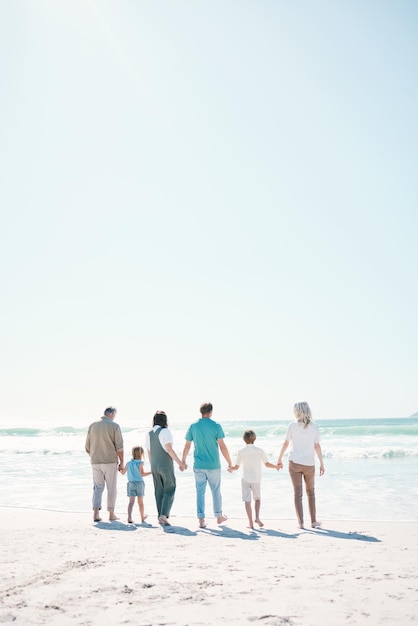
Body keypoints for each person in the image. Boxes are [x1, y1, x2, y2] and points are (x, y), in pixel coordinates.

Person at [182, 402, 232, 528]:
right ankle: (219, 517)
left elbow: (187, 446)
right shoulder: (216, 426)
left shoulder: (193, 426)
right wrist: (230, 462)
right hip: (214, 465)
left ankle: (201, 520)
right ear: (210, 412)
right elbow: (222, 446)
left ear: (201, 412)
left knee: (200, 492)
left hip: (198, 464)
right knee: (216, 491)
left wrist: (183, 461)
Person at [277, 402, 325, 529]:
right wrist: (321, 463)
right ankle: (313, 522)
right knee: (311, 493)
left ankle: (301, 523)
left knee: (297, 494)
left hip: (295, 463)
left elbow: (286, 443)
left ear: (297, 412)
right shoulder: (314, 427)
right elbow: (317, 446)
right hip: (309, 464)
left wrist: (279, 459)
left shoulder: (292, 426)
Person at [229, 429, 280, 529]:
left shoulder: (241, 452)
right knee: (257, 499)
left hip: (245, 478)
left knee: (247, 501)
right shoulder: (259, 451)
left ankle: (250, 523)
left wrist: (230, 469)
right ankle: (256, 517)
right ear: (254, 438)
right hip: (256, 478)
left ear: (244, 439)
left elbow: (236, 467)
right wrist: (276, 467)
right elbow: (267, 464)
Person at [145, 411, 186, 526]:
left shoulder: (149, 434)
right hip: (165, 464)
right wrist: (180, 463)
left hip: (154, 464)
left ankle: (160, 516)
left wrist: (152, 465)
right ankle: (163, 515)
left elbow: (149, 452)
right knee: (170, 488)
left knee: (158, 490)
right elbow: (169, 449)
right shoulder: (165, 431)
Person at [85, 407, 124, 522]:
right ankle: (111, 514)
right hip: (110, 461)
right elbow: (119, 447)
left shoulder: (92, 425)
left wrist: (94, 456)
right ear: (111, 414)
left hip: (95, 461)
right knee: (111, 488)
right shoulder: (114, 426)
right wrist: (121, 462)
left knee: (97, 487)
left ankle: (96, 513)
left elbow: (87, 446)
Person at [120, 446, 151, 524]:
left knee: (131, 502)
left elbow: (123, 473)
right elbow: (142, 474)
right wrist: (152, 472)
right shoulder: (140, 463)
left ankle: (129, 517)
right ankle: (142, 517)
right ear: (141, 454)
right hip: (139, 484)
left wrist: (120, 469)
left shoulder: (128, 463)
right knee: (140, 502)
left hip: (130, 483)